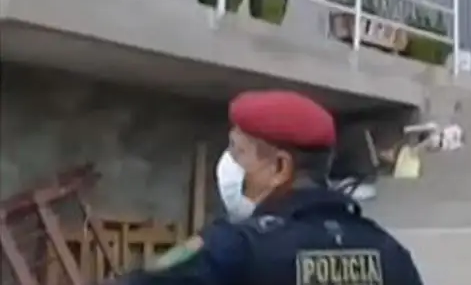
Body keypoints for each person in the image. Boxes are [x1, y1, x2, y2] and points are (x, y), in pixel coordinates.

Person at [114, 90, 423, 285]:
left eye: (238, 152)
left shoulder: (236, 248)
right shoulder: (389, 253)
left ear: (280, 168)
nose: (229, 164)